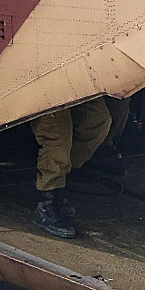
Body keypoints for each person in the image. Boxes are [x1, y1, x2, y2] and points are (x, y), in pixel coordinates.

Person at [30, 97, 112, 239]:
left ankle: (58, 179)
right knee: (57, 135)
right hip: (45, 86)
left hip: (74, 83)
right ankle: (46, 204)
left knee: (98, 119)